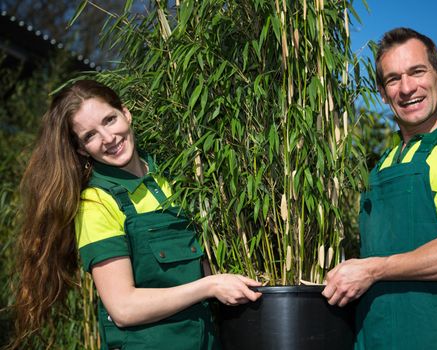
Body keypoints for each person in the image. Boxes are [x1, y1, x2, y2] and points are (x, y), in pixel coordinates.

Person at [12, 79, 261, 349]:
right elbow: (123, 308)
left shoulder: (177, 175)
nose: (108, 139)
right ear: (82, 149)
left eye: (109, 120)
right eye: (90, 135)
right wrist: (209, 286)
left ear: (126, 114)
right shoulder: (97, 202)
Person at [322, 27, 437, 349]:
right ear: (382, 92)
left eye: (417, 72)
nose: (407, 88)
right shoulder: (381, 164)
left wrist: (374, 270)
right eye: (393, 79)